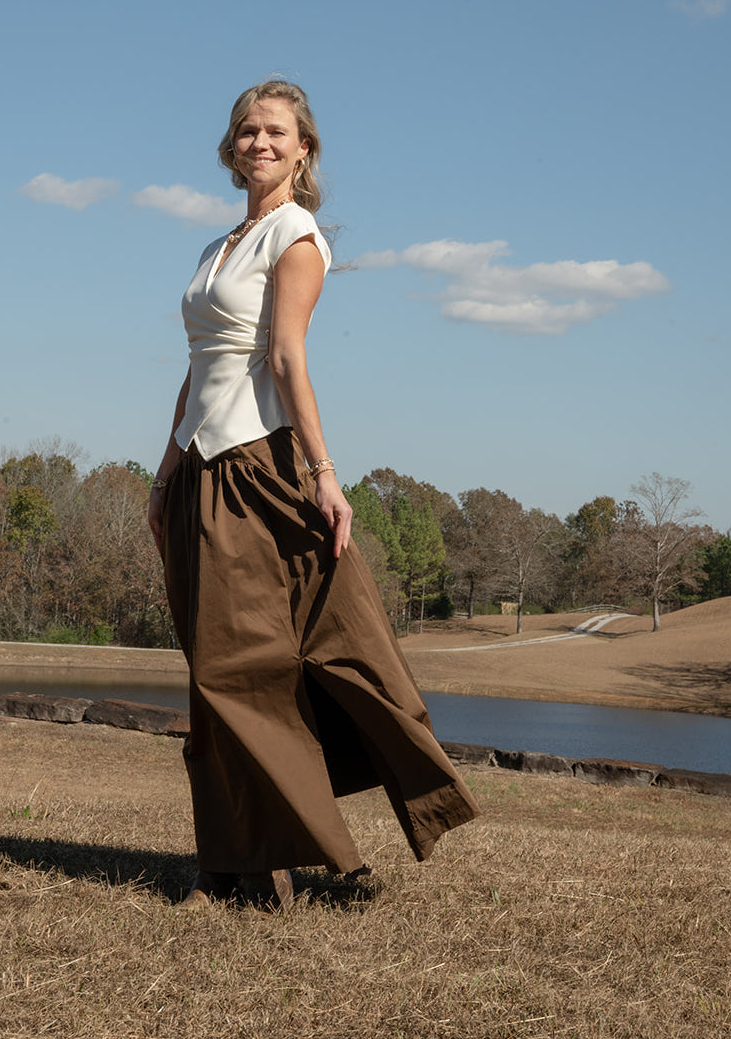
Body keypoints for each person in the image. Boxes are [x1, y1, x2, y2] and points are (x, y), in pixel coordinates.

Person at [147, 79, 480, 909]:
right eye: (245, 130)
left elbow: (289, 361)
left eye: (274, 132)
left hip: (255, 464)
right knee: (210, 674)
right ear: (230, 148)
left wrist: (325, 479)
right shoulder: (217, 247)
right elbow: (197, 372)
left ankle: (265, 866)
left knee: (240, 669)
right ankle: (226, 864)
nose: (257, 142)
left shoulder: (295, 237)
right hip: (196, 465)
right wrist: (161, 475)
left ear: (304, 149)